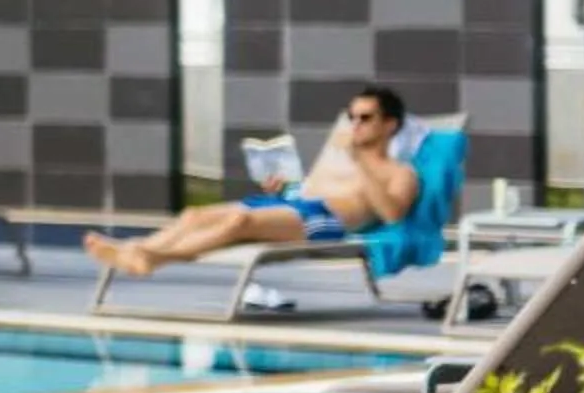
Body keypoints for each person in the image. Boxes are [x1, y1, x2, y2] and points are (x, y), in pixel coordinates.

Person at [85, 85, 420, 280]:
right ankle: (140, 252)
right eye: (352, 117)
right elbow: (305, 192)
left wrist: (361, 160)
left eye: (366, 118)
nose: (356, 124)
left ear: (390, 124)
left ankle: (152, 255)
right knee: (193, 215)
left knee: (239, 221)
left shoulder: (399, 172)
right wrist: (284, 188)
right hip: (293, 207)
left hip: (327, 220)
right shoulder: (337, 156)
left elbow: (392, 214)